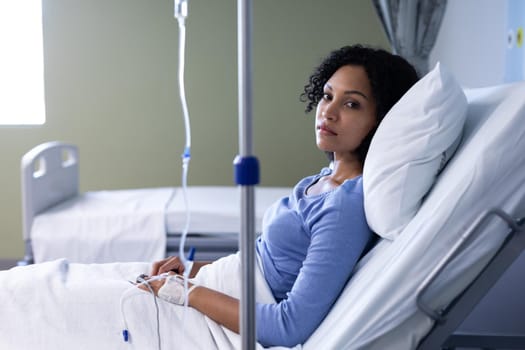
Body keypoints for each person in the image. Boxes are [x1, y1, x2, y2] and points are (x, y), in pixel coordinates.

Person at [140, 44, 419, 347]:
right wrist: (191, 268)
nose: (328, 111)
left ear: (382, 119)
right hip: (210, 290)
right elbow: (264, 262)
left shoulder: (343, 208)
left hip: (216, 320)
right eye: (327, 96)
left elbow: (288, 326)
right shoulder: (322, 179)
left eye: (351, 104)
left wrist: (183, 293)